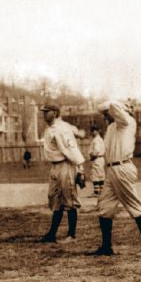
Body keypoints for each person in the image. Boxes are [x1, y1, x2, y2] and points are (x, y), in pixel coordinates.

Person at [87, 101, 141, 256]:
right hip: (110, 169)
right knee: (104, 207)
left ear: (115, 111)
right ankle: (106, 247)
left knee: (133, 205)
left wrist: (113, 105)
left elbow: (117, 110)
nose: (105, 117)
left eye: (106, 113)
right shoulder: (111, 127)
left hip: (123, 167)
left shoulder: (127, 121)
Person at [39, 103, 85, 244]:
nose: (44, 114)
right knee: (55, 199)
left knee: (69, 200)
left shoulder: (61, 129)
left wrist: (80, 169)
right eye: (43, 112)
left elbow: (71, 149)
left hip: (66, 164)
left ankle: (71, 235)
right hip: (55, 167)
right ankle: (52, 234)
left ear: (55, 113)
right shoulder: (51, 128)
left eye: (47, 112)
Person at [88, 125, 105, 198]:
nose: (91, 133)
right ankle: (101, 191)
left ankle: (97, 192)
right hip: (100, 159)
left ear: (96, 131)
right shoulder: (100, 139)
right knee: (100, 174)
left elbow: (97, 150)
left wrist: (92, 156)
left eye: (92, 131)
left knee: (96, 175)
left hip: (97, 158)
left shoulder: (96, 140)